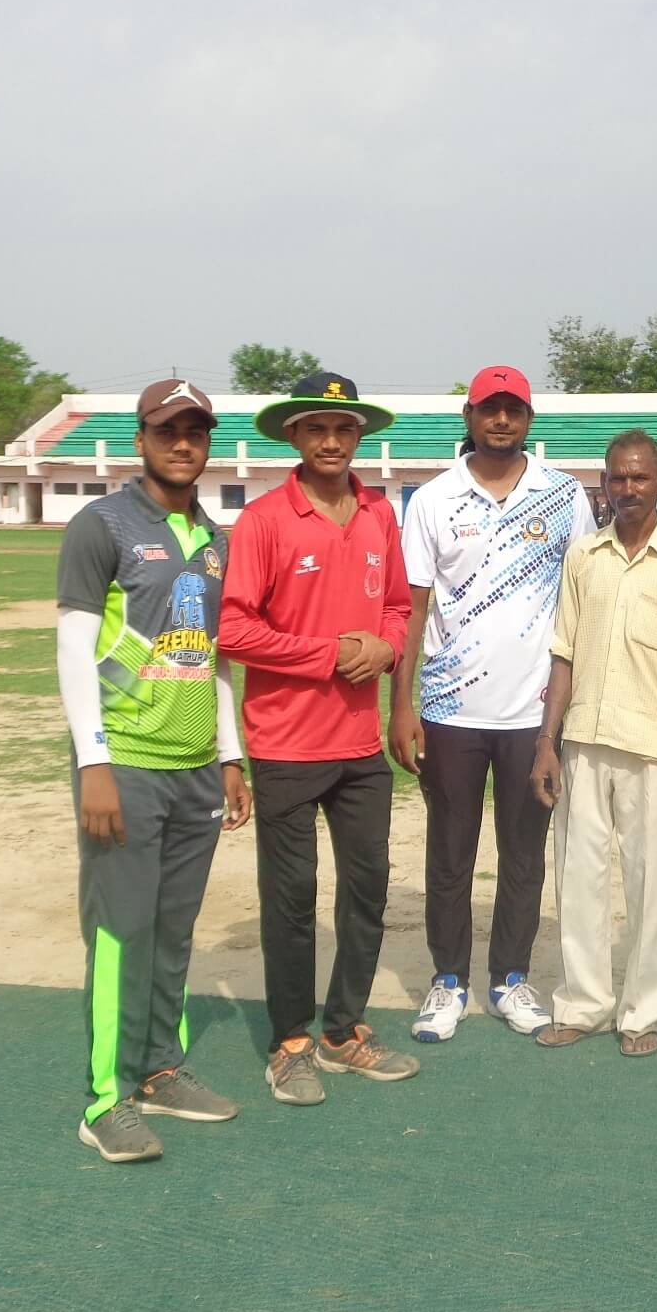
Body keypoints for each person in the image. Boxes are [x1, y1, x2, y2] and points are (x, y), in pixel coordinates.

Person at [56, 378, 253, 1163]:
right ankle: (106, 1098)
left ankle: (160, 1071)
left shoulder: (213, 540)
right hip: (126, 764)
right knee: (119, 931)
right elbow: (75, 648)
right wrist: (94, 763)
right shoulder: (101, 524)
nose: (183, 443)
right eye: (169, 430)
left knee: (174, 930)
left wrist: (231, 755)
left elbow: (211, 659)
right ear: (141, 438)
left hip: (194, 766)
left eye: (196, 431)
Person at [218, 371, 418, 1106]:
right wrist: (330, 652)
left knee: (367, 889)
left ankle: (344, 1030)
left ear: (359, 435)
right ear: (294, 437)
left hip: (359, 744)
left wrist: (387, 649)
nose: (331, 441)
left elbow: (398, 608)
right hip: (286, 744)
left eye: (344, 429)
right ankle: (291, 1042)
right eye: (315, 429)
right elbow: (234, 629)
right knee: (292, 898)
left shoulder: (377, 514)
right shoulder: (267, 520)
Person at [391, 365, 594, 1043]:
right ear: (469, 417)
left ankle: (510, 977)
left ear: (529, 419)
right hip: (449, 710)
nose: (501, 420)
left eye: (513, 409)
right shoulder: (433, 499)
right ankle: (448, 981)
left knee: (524, 854)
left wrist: (565, 715)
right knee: (449, 854)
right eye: (488, 409)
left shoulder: (563, 496)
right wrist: (402, 705)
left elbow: (582, 605)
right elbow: (413, 608)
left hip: (532, 717)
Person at [529, 430, 657, 1055]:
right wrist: (546, 744)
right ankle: (583, 1003)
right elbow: (563, 652)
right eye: (618, 478)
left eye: (640, 477)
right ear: (604, 484)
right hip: (584, 739)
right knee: (579, 881)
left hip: (656, 748)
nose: (628, 489)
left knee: (651, 884)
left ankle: (642, 1013)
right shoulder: (583, 557)